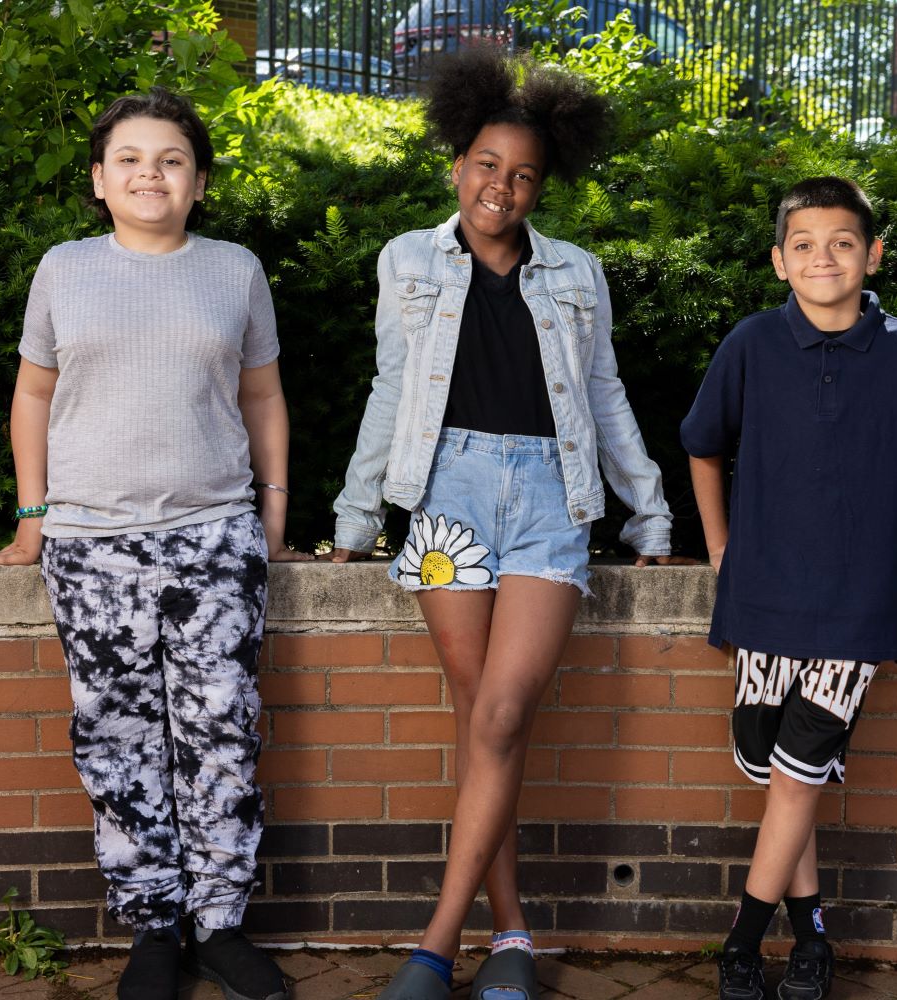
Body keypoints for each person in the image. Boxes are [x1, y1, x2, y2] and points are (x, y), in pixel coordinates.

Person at [329, 47, 687, 1000]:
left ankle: (436, 945)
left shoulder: (576, 273)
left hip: (548, 501)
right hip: (446, 502)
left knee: (498, 714)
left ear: (543, 185)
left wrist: (649, 510)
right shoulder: (406, 259)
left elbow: (604, 397)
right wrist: (358, 516)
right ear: (458, 162)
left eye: (523, 174)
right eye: (488, 164)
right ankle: (514, 940)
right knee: (481, 721)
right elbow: (393, 389)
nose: (503, 185)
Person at [0, 87, 313, 1000]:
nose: (150, 174)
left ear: (200, 180)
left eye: (171, 160)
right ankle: (152, 929)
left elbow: (262, 396)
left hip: (215, 539)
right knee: (116, 737)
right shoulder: (64, 270)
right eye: (129, 159)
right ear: (98, 180)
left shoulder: (235, 270)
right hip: (92, 547)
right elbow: (32, 396)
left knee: (219, 733)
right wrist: (32, 518)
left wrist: (274, 512)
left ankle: (218, 924)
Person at [680, 176, 897, 1000]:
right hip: (762, 598)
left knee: (793, 775)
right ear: (781, 260)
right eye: (807, 244)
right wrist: (720, 546)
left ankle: (742, 946)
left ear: (873, 254)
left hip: (856, 605)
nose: (826, 257)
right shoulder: (751, 342)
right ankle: (813, 936)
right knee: (776, 767)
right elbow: (703, 448)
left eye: (844, 242)